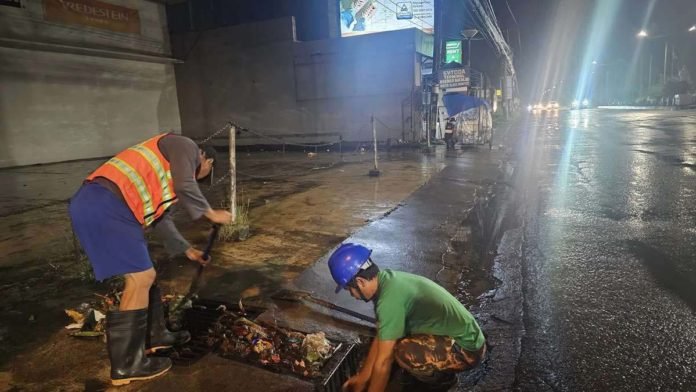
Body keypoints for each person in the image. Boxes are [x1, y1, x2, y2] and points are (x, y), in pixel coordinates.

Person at [68, 133, 232, 386]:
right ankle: (127, 366)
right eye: (205, 173)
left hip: (106, 205)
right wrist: (210, 213)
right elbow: (185, 184)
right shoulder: (185, 145)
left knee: (145, 275)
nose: (201, 178)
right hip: (106, 203)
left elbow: (160, 219)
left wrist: (188, 250)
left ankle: (155, 336)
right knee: (141, 277)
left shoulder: (170, 176)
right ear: (206, 159)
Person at [329, 243, 485, 392]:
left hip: (467, 350)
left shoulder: (389, 301)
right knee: (392, 338)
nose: (352, 295)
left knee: (403, 352)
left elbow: (384, 362)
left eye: (350, 290)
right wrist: (363, 377)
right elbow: (381, 335)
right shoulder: (387, 280)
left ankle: (443, 380)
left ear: (360, 282)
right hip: (462, 335)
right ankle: (434, 367)